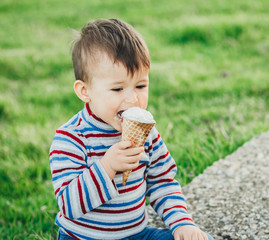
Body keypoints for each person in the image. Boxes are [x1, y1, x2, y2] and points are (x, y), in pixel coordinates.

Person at [49, 18, 213, 240]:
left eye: (140, 86)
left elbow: (162, 182)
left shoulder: (148, 134)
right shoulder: (71, 138)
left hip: (137, 234)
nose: (132, 99)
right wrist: (107, 166)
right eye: (117, 88)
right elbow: (70, 205)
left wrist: (182, 224)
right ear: (84, 91)